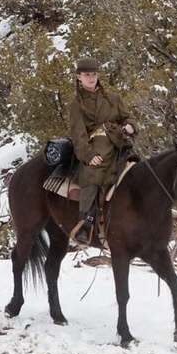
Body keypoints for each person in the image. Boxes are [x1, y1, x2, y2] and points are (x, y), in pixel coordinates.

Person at [68, 57, 137, 245]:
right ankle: (86, 222)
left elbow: (127, 117)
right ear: (79, 77)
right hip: (94, 146)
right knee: (93, 174)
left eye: (94, 74)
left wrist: (130, 126)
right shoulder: (76, 104)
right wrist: (89, 155)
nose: (91, 78)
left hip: (119, 142)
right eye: (87, 75)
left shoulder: (113, 98)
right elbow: (78, 134)